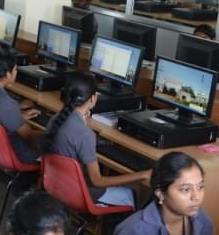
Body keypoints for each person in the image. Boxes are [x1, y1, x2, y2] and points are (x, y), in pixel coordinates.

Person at [43, 73, 151, 207]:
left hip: (56, 185)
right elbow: (97, 181)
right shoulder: (85, 134)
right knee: (138, 188)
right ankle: (113, 225)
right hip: (81, 193)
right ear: (93, 99)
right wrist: (143, 175)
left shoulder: (55, 119)